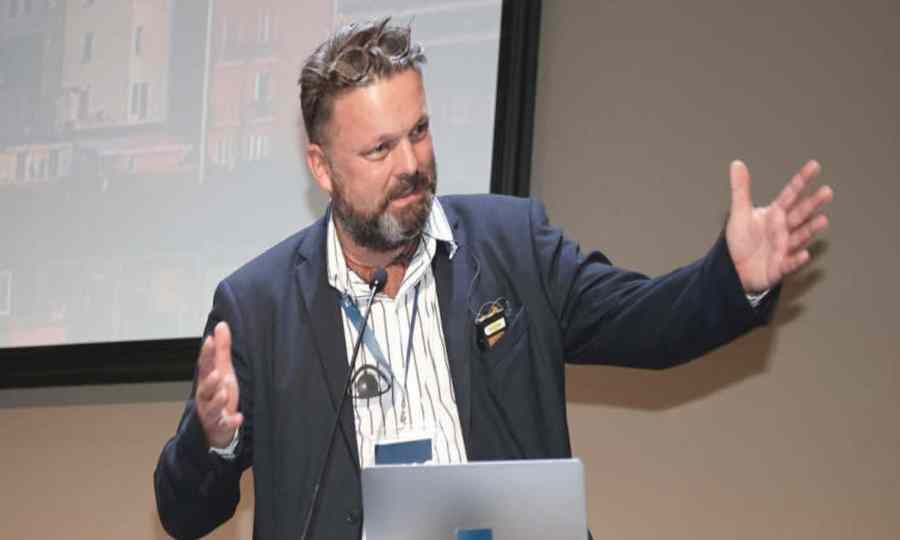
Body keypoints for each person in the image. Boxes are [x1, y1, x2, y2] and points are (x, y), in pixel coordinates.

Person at [154, 18, 833, 540]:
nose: (411, 164)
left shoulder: (514, 246)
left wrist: (733, 278)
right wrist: (214, 438)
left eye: (418, 131)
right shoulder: (259, 306)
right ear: (321, 167)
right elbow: (184, 513)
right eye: (380, 148)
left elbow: (650, 324)